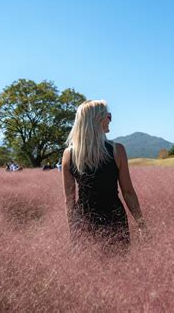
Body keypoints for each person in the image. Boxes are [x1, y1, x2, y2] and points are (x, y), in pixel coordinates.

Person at [62, 100, 148, 252]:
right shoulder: (117, 150)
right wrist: (141, 224)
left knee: (87, 270)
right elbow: (128, 192)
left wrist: (72, 230)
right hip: (114, 218)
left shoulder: (68, 154)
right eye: (109, 116)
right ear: (98, 119)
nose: (110, 120)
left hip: (82, 220)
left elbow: (69, 199)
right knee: (118, 267)